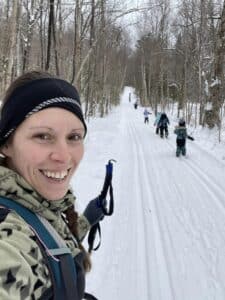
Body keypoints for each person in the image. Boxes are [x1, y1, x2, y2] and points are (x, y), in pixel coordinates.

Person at [0, 71, 107, 300]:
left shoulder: (35, 200)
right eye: (43, 136)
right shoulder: (9, 242)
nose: (63, 156)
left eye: (74, 137)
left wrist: (86, 220)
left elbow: (49, 233)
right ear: (7, 144)